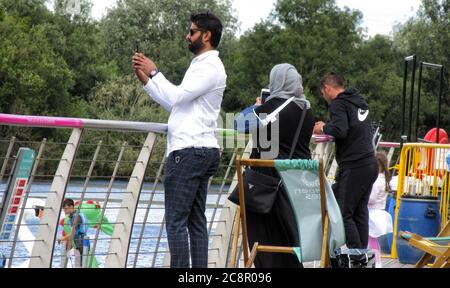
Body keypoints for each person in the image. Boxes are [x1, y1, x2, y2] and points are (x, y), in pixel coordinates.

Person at [132, 11, 225, 268]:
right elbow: (177, 104)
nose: (188, 35)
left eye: (193, 31)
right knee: (196, 222)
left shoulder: (209, 67)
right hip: (199, 150)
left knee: (175, 221)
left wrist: (154, 72)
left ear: (206, 36)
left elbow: (175, 97)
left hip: (189, 152)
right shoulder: (202, 65)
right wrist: (147, 82)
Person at [234, 63, 315, 267]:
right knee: (288, 240)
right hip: (298, 184)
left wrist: (258, 105)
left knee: (264, 242)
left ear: (276, 81)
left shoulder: (274, 106)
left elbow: (238, 123)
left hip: (269, 187)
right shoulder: (306, 108)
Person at [314, 72, 378, 249]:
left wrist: (323, 127)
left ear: (327, 88)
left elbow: (341, 130)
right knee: (359, 212)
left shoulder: (338, 104)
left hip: (354, 164)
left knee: (343, 213)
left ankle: (356, 258)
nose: (323, 96)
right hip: (370, 162)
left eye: (322, 92)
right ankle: (363, 256)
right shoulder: (358, 101)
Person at [367, 152, 393, 268]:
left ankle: (375, 263)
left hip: (372, 213)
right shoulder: (384, 180)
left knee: (370, 240)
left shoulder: (376, 181)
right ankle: (377, 262)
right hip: (379, 212)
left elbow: (371, 198)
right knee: (373, 241)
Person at [58, 198, 89, 267]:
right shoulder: (72, 217)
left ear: (71, 207)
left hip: (81, 243)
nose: (64, 211)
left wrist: (63, 238)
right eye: (64, 209)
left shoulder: (77, 217)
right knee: (79, 264)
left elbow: (73, 232)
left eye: (65, 209)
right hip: (79, 243)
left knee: (80, 265)